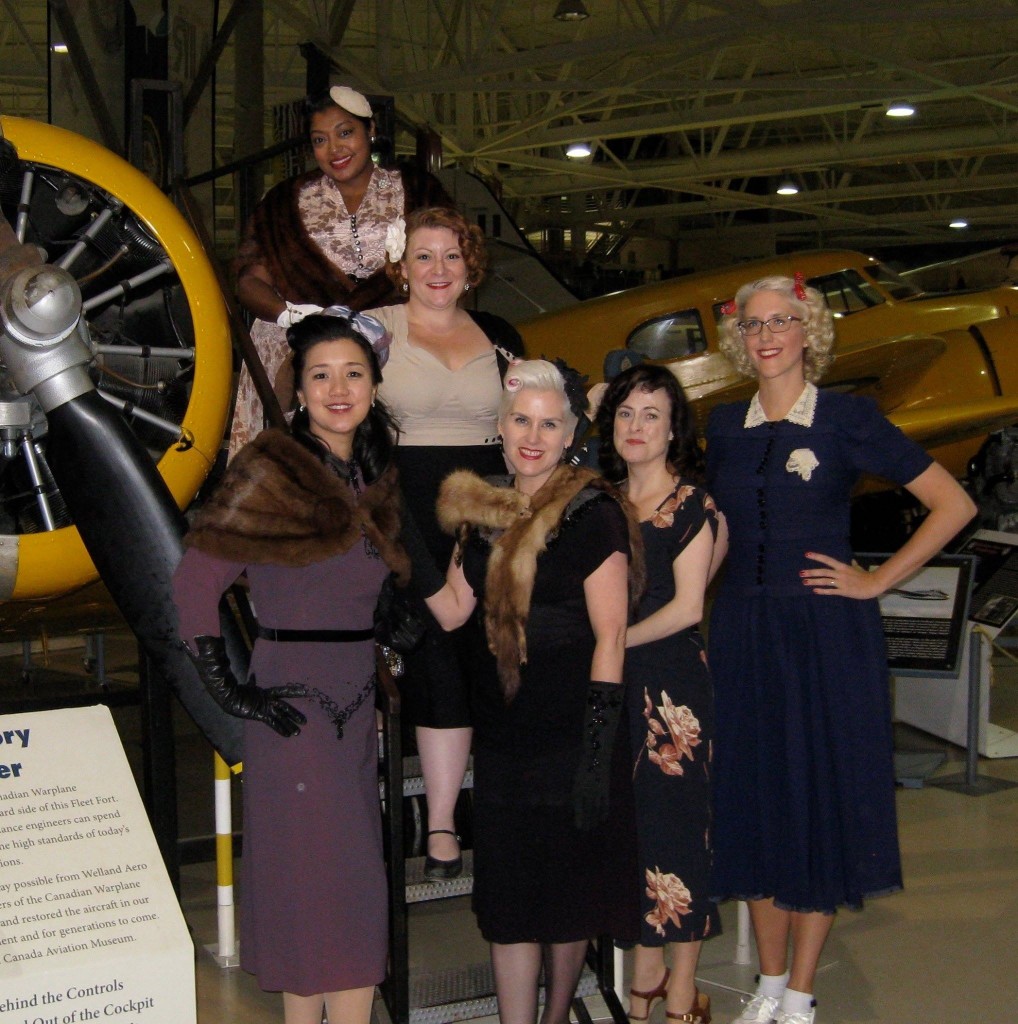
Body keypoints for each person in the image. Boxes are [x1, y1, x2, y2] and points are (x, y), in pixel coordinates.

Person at [706, 274, 977, 1024]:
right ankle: (764, 983)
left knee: (814, 798)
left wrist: (877, 579)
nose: (765, 336)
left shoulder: (849, 419)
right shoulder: (725, 426)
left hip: (825, 634)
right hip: (743, 635)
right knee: (755, 800)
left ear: (808, 332)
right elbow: (717, 532)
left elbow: (954, 503)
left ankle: (799, 991)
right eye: (753, 325)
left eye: (780, 322)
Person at [172, 311, 412, 1024]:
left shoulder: (373, 476)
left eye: (353, 373)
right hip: (290, 706)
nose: (339, 388)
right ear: (299, 389)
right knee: (309, 891)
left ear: (373, 384)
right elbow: (193, 585)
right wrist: (229, 691)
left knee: (352, 887)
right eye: (321, 375)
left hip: (353, 699)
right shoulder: (272, 469)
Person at [423, 359, 641, 1024]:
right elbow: (454, 609)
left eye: (550, 424)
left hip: (572, 730)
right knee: (511, 901)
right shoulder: (482, 510)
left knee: (567, 896)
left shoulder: (592, 513)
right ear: (499, 426)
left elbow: (610, 635)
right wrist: (389, 548)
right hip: (505, 733)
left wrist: (599, 752)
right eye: (522, 420)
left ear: (572, 434)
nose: (533, 436)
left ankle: (553, 1019)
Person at [365, 205, 524, 878]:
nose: (438, 270)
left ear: (471, 267)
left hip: (483, 514)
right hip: (406, 516)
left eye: (451, 256)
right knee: (433, 665)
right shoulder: (374, 332)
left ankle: (499, 812)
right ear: (401, 267)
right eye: (424, 256)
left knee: (491, 661)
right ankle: (437, 826)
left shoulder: (499, 336)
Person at [596, 364, 727, 1024]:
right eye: (625, 413)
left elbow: (686, 608)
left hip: (670, 691)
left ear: (674, 428)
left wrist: (615, 647)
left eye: (652, 414)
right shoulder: (599, 502)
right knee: (636, 839)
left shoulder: (692, 505)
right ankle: (646, 981)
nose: (637, 426)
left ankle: (680, 991)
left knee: (677, 834)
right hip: (615, 689)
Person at [230, 84, 452, 457]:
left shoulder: (418, 189)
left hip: (397, 341)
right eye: (320, 140)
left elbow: (450, 264)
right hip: (296, 348)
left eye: (345, 133)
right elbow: (249, 280)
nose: (334, 149)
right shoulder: (282, 202)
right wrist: (289, 316)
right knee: (288, 475)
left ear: (371, 131)